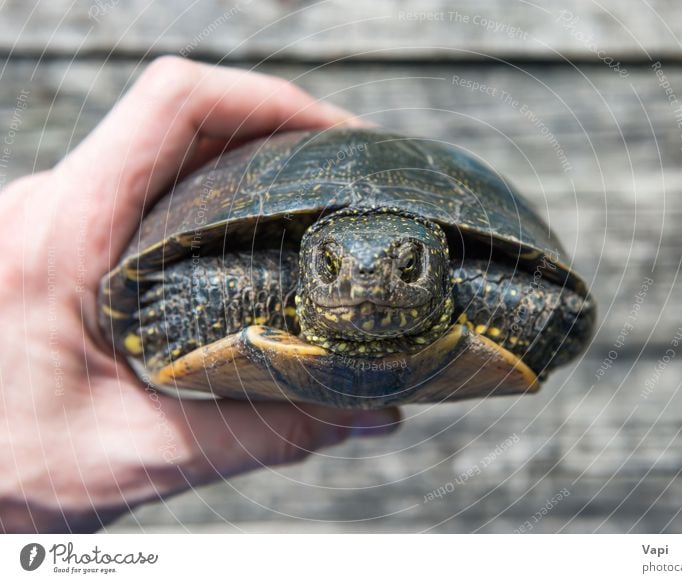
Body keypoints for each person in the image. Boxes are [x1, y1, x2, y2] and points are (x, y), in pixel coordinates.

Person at [0, 57, 402, 533]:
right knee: (240, 282)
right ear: (313, 262)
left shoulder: (456, 280)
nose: (368, 281)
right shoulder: (263, 280)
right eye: (331, 266)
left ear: (436, 261)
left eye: (409, 266)